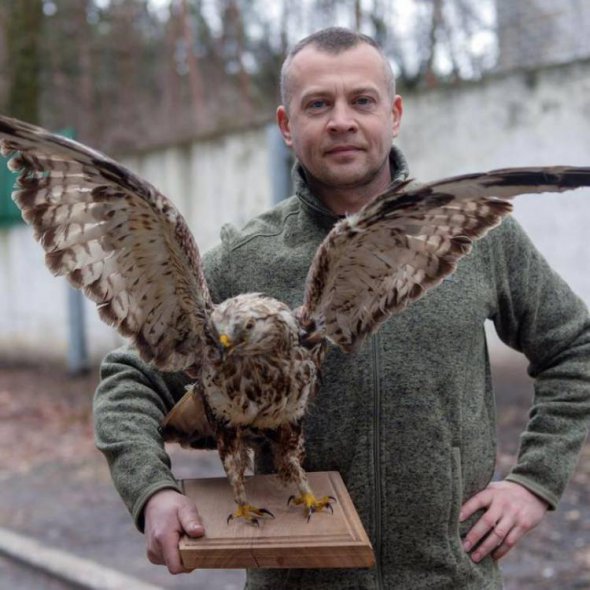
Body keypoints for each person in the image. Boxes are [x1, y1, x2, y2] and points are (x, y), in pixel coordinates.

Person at [94, 27, 590, 589]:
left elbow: (576, 346)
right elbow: (128, 380)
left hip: (452, 578)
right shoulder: (243, 258)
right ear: (286, 125)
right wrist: (152, 491)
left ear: (394, 114)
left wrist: (535, 482)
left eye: (362, 100)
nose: (341, 121)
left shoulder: (475, 233)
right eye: (317, 104)